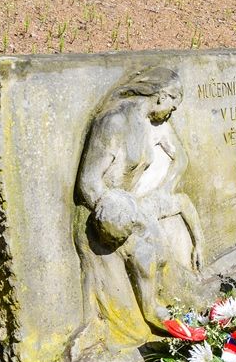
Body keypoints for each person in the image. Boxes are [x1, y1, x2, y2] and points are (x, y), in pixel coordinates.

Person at [75, 66, 204, 333]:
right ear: (161, 96)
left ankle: (171, 308)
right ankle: (151, 311)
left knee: (161, 255)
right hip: (106, 216)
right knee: (146, 253)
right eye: (173, 103)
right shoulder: (113, 122)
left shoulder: (145, 122)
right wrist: (118, 215)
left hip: (129, 208)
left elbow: (179, 160)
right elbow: (88, 182)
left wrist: (146, 203)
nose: (173, 110)